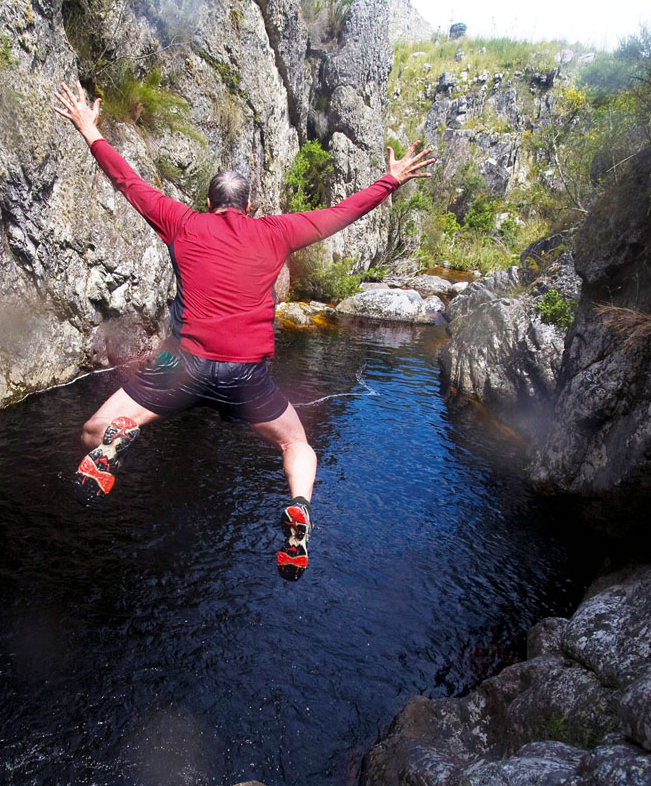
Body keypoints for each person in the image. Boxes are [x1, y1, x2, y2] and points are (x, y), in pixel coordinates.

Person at [52, 82, 434, 581]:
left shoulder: (182, 222)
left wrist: (89, 129)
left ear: (209, 202)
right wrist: (390, 179)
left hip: (179, 363)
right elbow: (342, 214)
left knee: (92, 430)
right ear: (249, 206)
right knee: (296, 445)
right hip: (245, 376)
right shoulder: (276, 231)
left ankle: (120, 436)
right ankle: (298, 506)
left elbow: (129, 183)